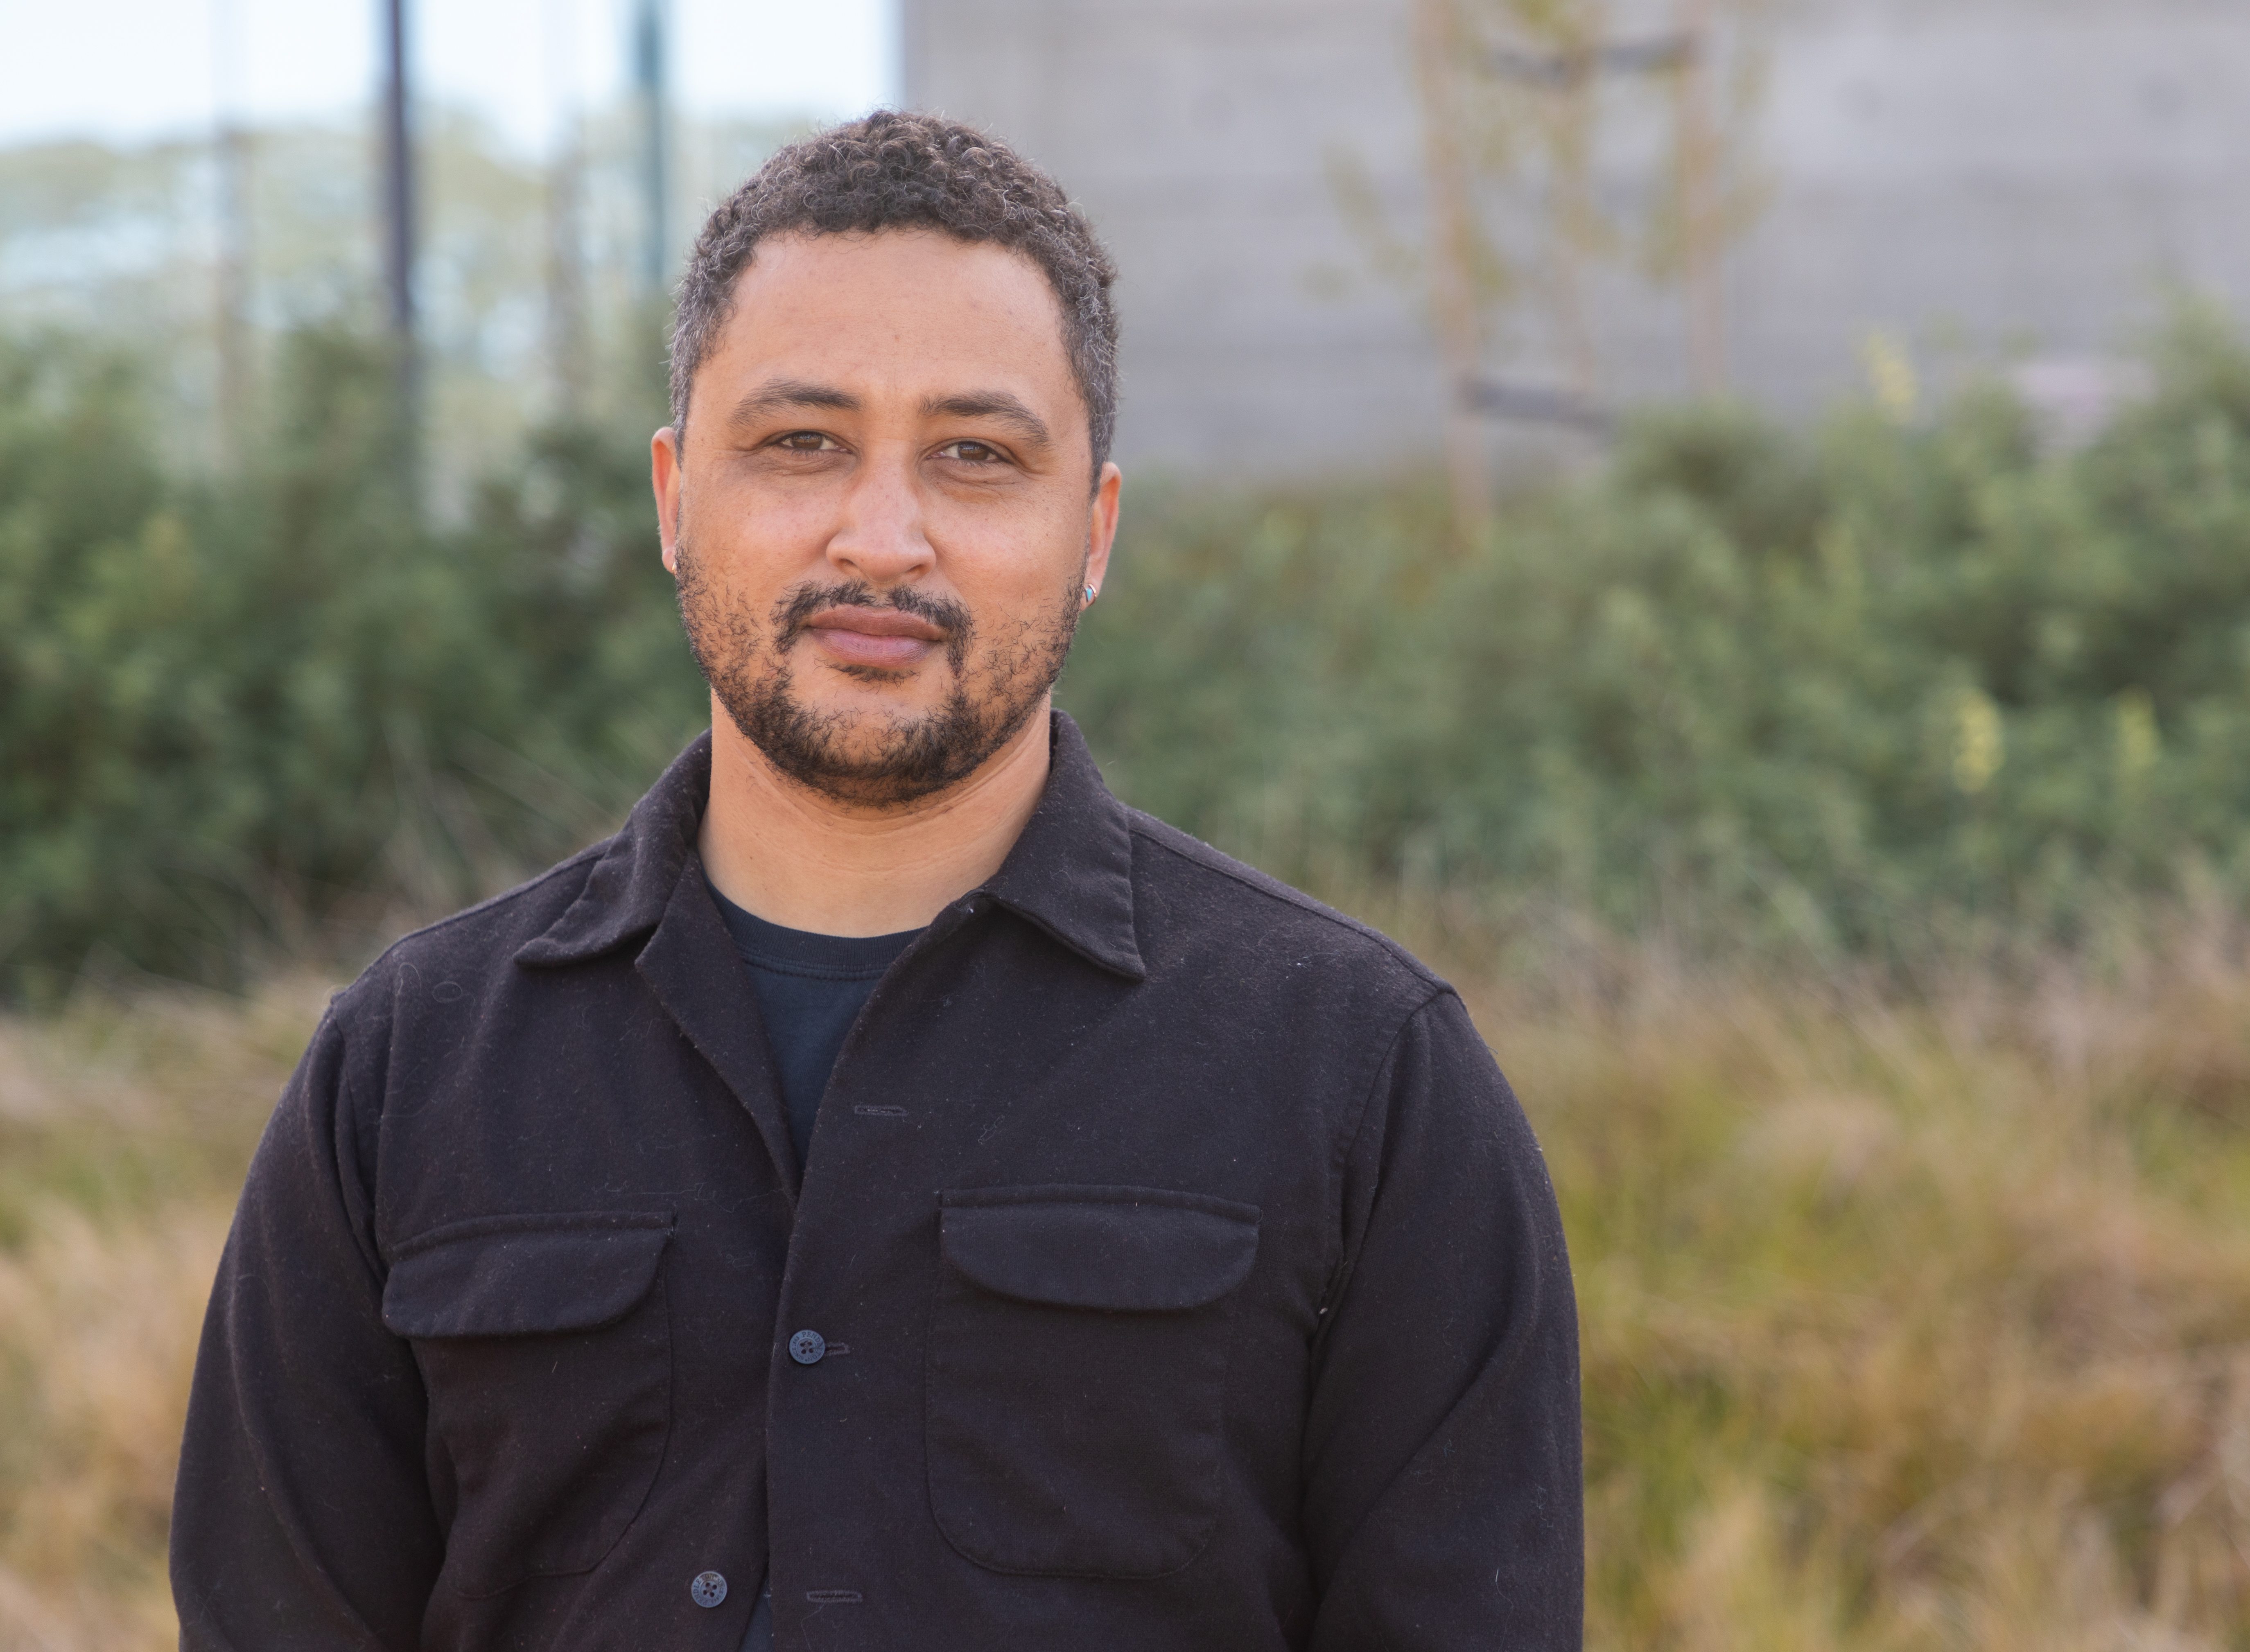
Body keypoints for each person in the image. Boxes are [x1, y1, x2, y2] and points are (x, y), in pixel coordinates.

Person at [171, 111, 1582, 1652]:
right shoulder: (405, 1070)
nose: (883, 535)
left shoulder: (1364, 1074)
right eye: (801, 443)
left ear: (1094, 528)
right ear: (672, 497)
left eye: (976, 455)